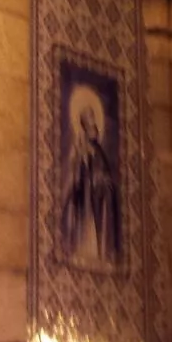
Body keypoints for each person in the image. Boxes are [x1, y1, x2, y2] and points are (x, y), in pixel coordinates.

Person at [62, 85, 120, 267]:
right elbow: (75, 174)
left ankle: (101, 253)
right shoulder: (79, 148)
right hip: (84, 198)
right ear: (84, 124)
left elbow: (104, 173)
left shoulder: (99, 150)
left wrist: (103, 182)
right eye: (89, 119)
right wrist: (81, 164)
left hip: (96, 196)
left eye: (94, 118)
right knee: (83, 228)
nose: (93, 123)